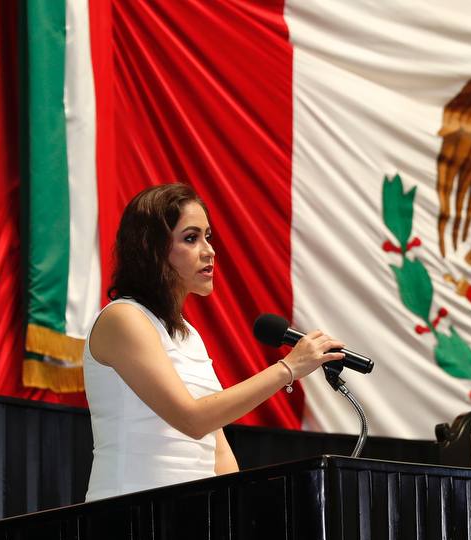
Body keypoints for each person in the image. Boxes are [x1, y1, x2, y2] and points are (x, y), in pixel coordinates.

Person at [83, 183, 344, 501]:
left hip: (194, 513)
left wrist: (235, 511)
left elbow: (217, 447)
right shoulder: (123, 318)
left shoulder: (189, 335)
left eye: (208, 236)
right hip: (130, 509)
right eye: (191, 238)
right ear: (151, 247)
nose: (209, 251)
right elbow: (192, 419)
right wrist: (287, 369)